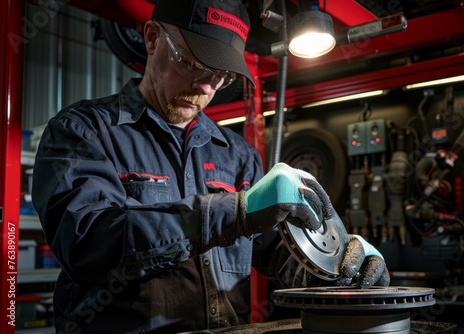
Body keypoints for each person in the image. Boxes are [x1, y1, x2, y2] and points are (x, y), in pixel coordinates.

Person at [31, 0, 390, 333]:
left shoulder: (236, 154)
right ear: (153, 38)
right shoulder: (84, 131)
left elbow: (274, 251)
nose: (205, 86)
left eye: (221, 75)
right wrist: (234, 211)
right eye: (192, 64)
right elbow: (86, 242)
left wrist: (339, 267)